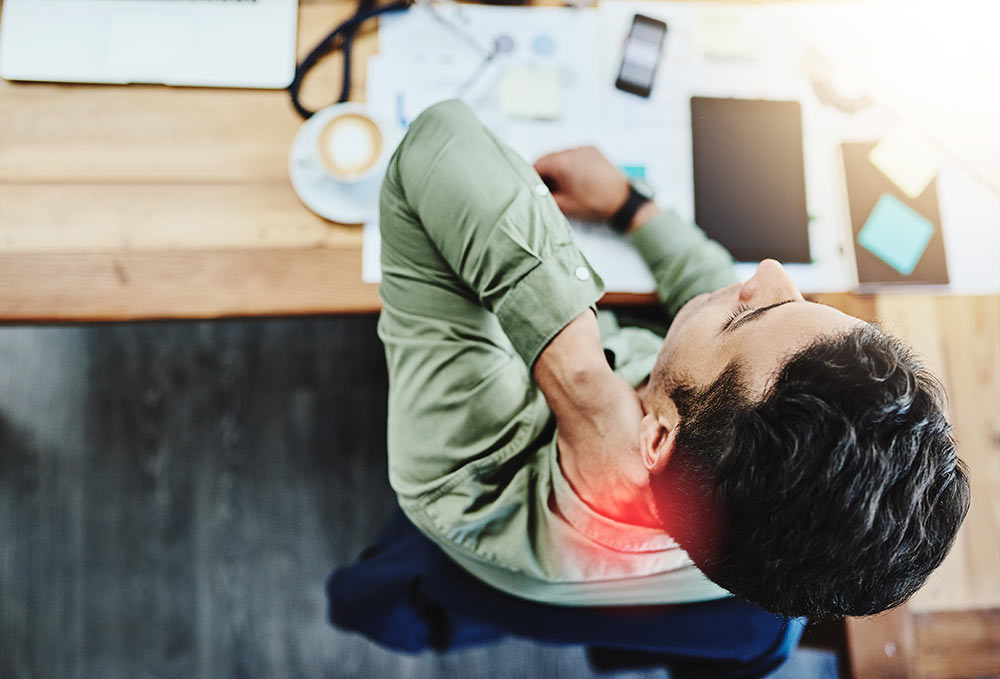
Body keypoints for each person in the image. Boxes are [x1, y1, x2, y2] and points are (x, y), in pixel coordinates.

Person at [375, 99, 969, 619]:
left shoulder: (462, 473)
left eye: (750, 313)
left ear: (657, 437)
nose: (768, 272)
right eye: (797, 299)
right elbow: (716, 316)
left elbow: (438, 140)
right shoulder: (755, 536)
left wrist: (577, 374)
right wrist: (630, 206)